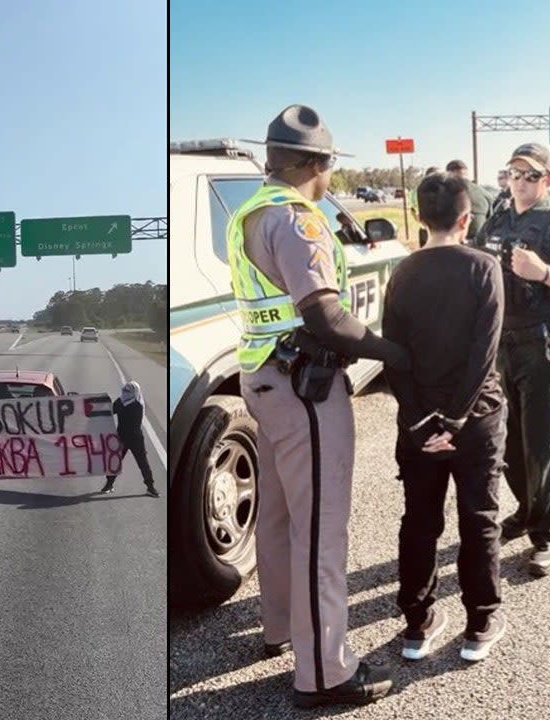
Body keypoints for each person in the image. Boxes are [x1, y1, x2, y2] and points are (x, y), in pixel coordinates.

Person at [232, 104, 410, 709]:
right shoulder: (297, 219)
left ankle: (281, 629)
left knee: (280, 519)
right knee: (322, 531)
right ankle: (325, 672)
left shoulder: (251, 212)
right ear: (319, 164)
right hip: (303, 387)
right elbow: (326, 316)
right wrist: (395, 355)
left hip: (261, 377)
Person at [383, 171, 509, 664]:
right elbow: (484, 355)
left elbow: (394, 355)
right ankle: (481, 621)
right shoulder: (484, 268)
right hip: (475, 421)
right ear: (466, 218)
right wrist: (454, 421)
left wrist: (421, 422)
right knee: (478, 517)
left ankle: (418, 623)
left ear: (418, 215)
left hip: (419, 426)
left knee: (419, 520)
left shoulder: (403, 273)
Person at [476, 143, 550, 577]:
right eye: (514, 174)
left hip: (543, 348)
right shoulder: (498, 220)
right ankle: (527, 511)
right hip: (500, 347)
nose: (521, 182)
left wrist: (542, 271)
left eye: (531, 176)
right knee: (509, 445)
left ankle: (547, 533)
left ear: (549, 181)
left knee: (545, 446)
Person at [100, 380, 159, 497]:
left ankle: (150, 487)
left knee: (143, 463)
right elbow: (110, 411)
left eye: (128, 391)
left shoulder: (137, 405)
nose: (125, 392)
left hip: (135, 438)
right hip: (122, 437)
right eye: (124, 390)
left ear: (134, 392)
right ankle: (109, 484)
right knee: (115, 462)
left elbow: (115, 411)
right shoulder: (123, 402)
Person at [446, 159, 493, 240]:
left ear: (448, 174)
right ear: (467, 173)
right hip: (480, 245)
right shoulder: (485, 194)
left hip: (453, 242)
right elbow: (491, 223)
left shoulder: (444, 193)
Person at [410, 166, 440, 247]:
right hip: (437, 231)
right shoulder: (442, 191)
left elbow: (413, 210)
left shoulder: (416, 191)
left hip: (425, 228)